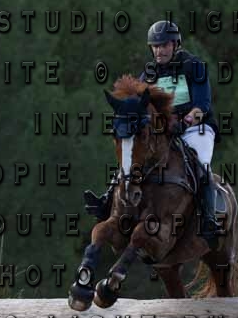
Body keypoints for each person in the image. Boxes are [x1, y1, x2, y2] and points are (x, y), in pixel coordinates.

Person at [83, 19, 220, 245]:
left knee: (201, 165)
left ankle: (209, 219)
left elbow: (202, 105)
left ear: (175, 45)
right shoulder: (148, 74)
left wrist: (185, 122)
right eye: (155, 46)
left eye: (164, 45)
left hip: (197, 128)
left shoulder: (193, 66)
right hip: (164, 131)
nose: (159, 51)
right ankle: (107, 201)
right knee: (134, 156)